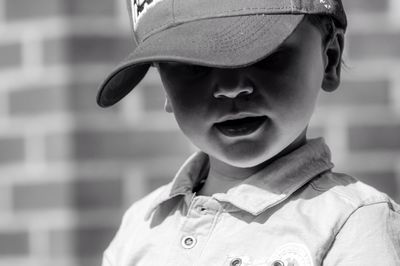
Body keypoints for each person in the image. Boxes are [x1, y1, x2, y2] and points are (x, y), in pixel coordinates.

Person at [97, 0, 400, 265]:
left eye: (264, 56)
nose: (231, 88)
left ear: (330, 59)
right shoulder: (141, 226)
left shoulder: (351, 222)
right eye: (194, 66)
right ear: (165, 86)